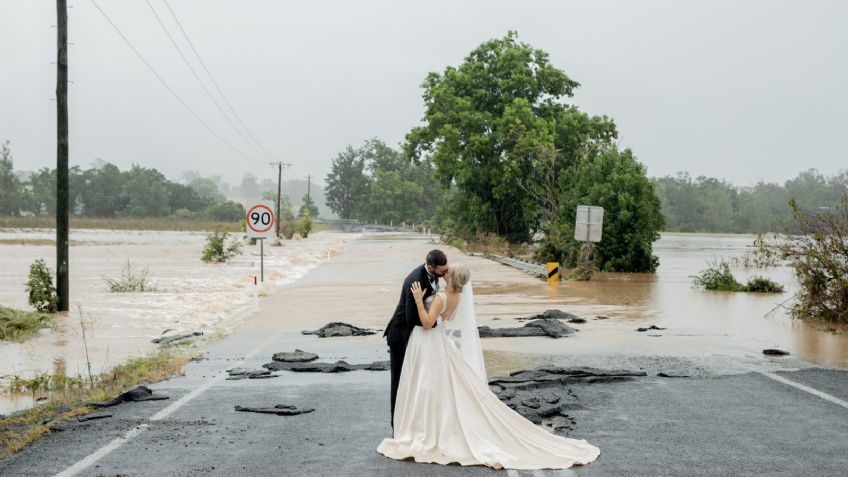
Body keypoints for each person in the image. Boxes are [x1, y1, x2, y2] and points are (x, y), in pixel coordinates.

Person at [377, 265, 601, 470]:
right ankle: (431, 424)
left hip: (432, 343)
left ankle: (426, 428)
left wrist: (417, 299)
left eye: (448, 272)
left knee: (429, 386)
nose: (444, 273)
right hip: (441, 344)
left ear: (452, 279)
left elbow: (427, 323)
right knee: (443, 387)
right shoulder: (458, 296)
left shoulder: (442, 296)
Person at [383, 249, 449, 427]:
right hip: (401, 336)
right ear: (430, 266)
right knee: (399, 382)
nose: (445, 273)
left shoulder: (434, 274)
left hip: (416, 337)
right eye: (442, 270)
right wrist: (436, 320)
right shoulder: (415, 280)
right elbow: (410, 317)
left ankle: (413, 422)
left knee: (414, 381)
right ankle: (396, 426)